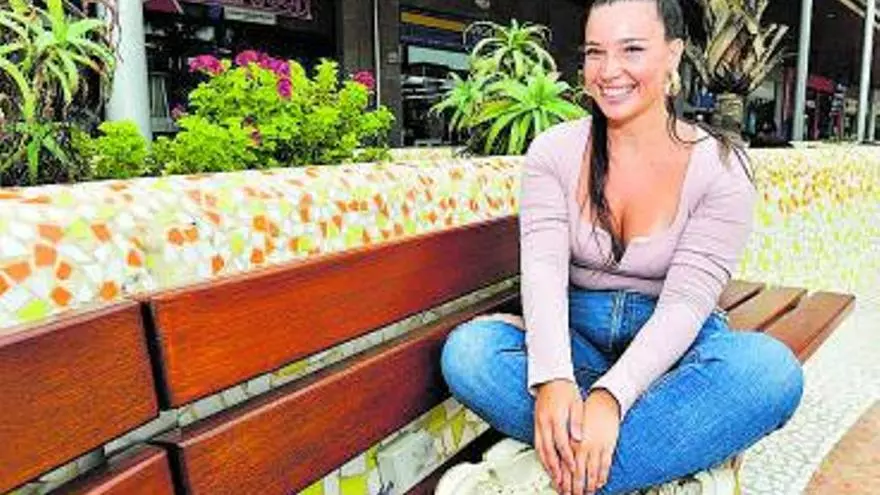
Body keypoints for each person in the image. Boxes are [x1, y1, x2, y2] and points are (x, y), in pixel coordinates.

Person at [440, 1, 804, 494]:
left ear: (673, 54)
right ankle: (650, 463)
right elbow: (544, 274)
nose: (609, 71)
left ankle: (551, 475)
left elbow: (685, 305)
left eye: (632, 49)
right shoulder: (554, 153)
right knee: (470, 353)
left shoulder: (720, 167)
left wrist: (612, 397)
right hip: (577, 340)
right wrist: (554, 379)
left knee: (770, 372)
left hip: (673, 352)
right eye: (595, 52)